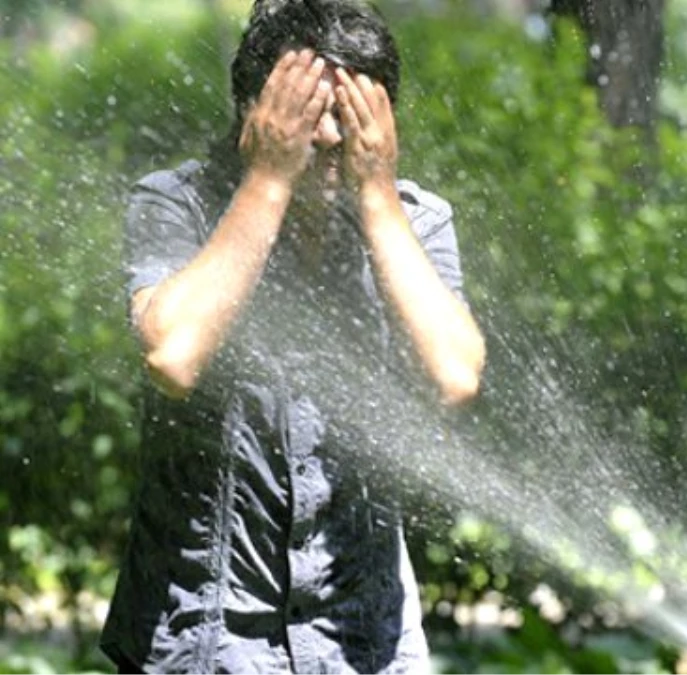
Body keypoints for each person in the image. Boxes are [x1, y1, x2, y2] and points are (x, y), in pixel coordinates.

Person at [100, 0, 486, 672]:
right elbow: (174, 354)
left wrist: (377, 196)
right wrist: (269, 178)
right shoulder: (177, 204)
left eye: (353, 112)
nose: (333, 136)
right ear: (252, 107)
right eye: (310, 110)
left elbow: (454, 374)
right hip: (203, 646)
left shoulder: (415, 223)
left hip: (369, 648)